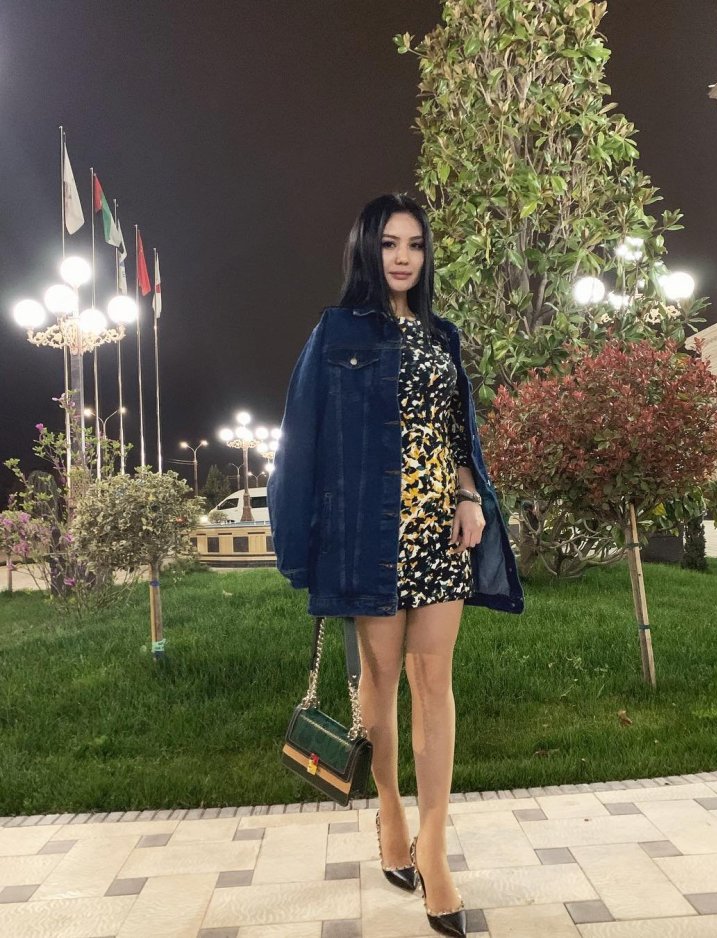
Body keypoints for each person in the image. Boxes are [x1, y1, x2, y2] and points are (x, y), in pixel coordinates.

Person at [268, 193, 524, 938]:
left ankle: (434, 850)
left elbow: (457, 432)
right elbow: (301, 436)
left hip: (440, 533)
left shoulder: (443, 335)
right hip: (366, 534)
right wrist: (302, 538)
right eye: (389, 244)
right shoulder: (336, 331)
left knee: (434, 684)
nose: (403, 256)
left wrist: (470, 496)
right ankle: (389, 810)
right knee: (379, 684)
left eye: (414, 244)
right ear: (366, 250)